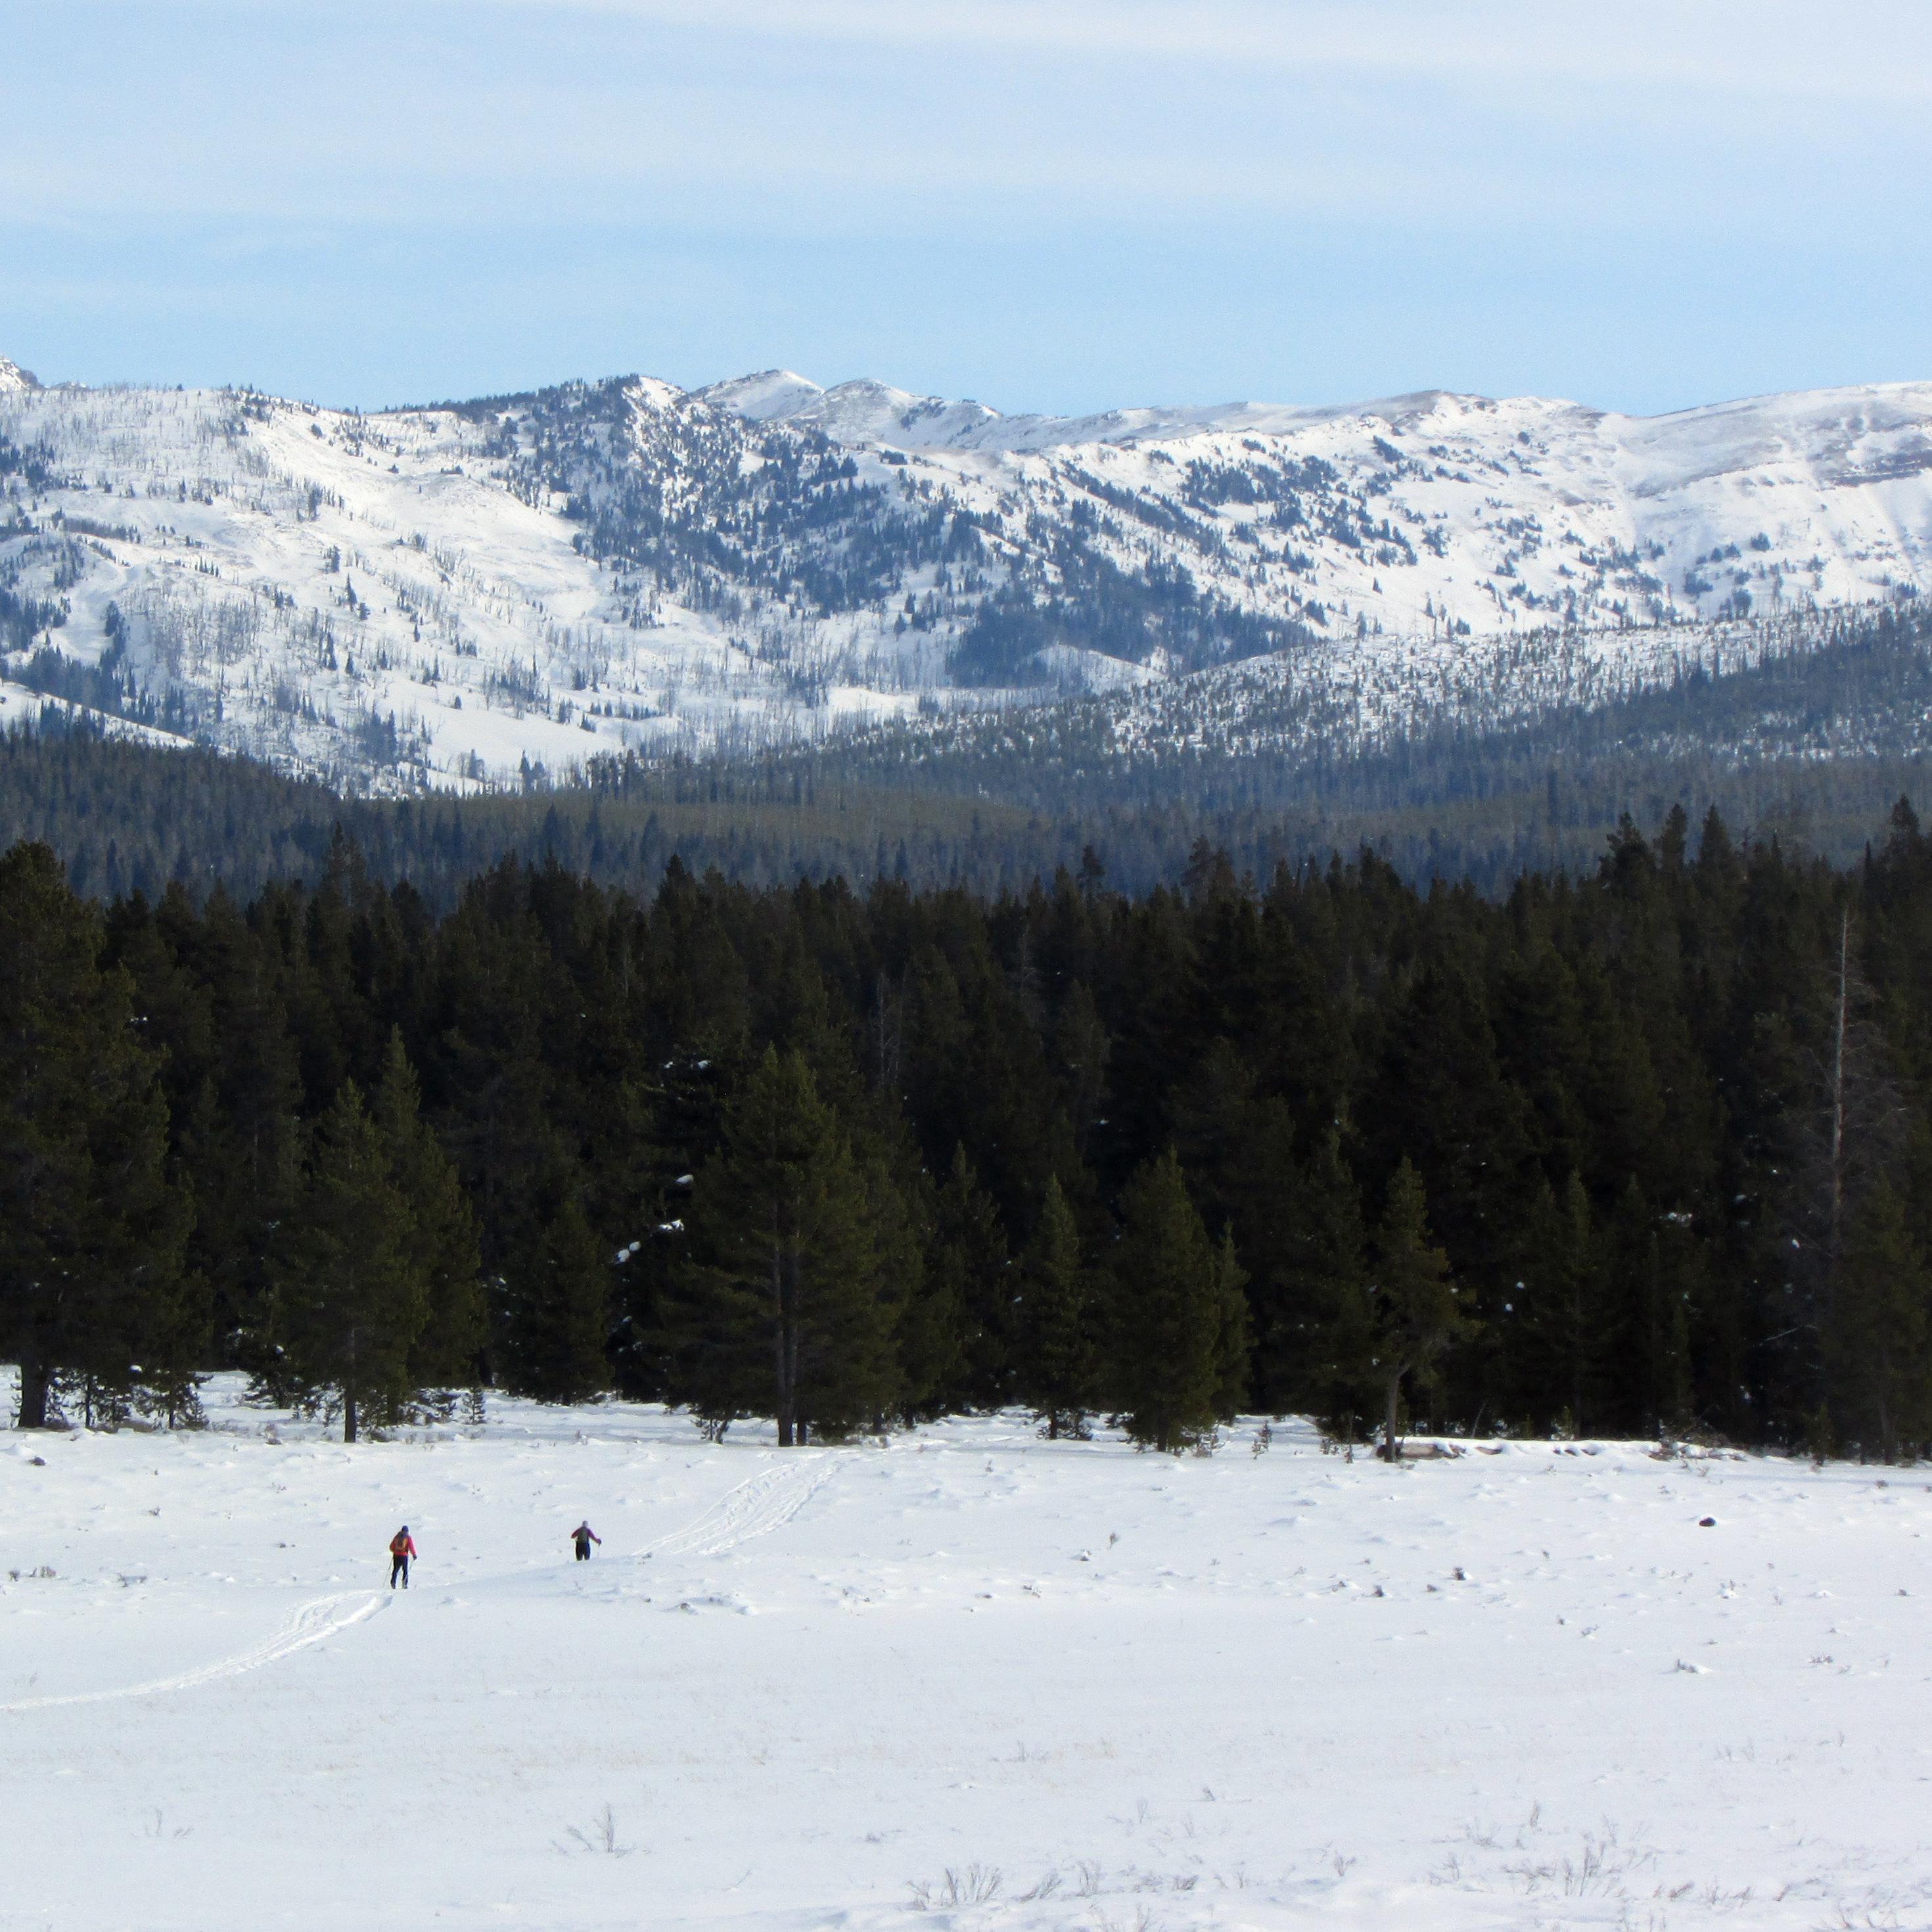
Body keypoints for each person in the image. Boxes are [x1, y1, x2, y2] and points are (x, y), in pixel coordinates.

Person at [388, 1525, 416, 1589]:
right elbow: (411, 1547)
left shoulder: (397, 1537)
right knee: (405, 1570)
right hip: (404, 1556)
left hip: (396, 1556)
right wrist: (414, 1555)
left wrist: (395, 1551)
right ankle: (404, 1584)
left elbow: (391, 1547)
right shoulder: (408, 1538)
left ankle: (393, 1583)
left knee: (395, 1570)